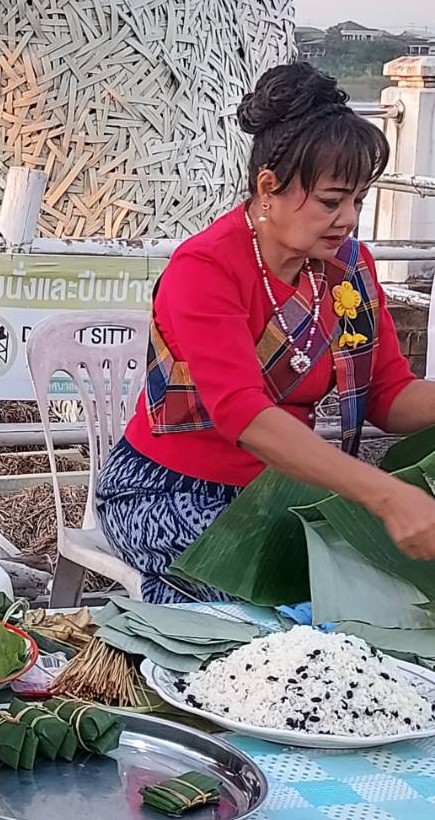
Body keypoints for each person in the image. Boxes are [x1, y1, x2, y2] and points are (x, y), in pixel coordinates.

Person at [97, 62, 435, 602]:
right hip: (170, 491)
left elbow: (386, 392)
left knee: (383, 593)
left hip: (281, 492)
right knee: (280, 604)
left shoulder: (348, 266)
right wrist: (386, 497)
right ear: (268, 187)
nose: (348, 219)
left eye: (358, 202)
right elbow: (244, 415)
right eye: (331, 201)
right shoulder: (204, 269)